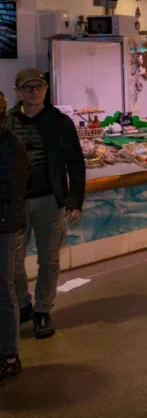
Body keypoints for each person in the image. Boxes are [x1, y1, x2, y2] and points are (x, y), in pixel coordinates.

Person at [8, 68, 85, 340]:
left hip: (50, 201)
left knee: (49, 260)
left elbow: (75, 162)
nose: (34, 91)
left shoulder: (60, 122)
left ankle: (42, 310)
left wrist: (75, 200)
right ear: (17, 91)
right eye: (28, 87)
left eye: (39, 86)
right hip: (14, 204)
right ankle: (23, 303)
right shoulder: (7, 121)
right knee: (12, 261)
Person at [1, 91, 28, 383]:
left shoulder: (11, 145)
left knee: (2, 291)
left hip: (4, 226)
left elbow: (10, 189)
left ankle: (9, 355)